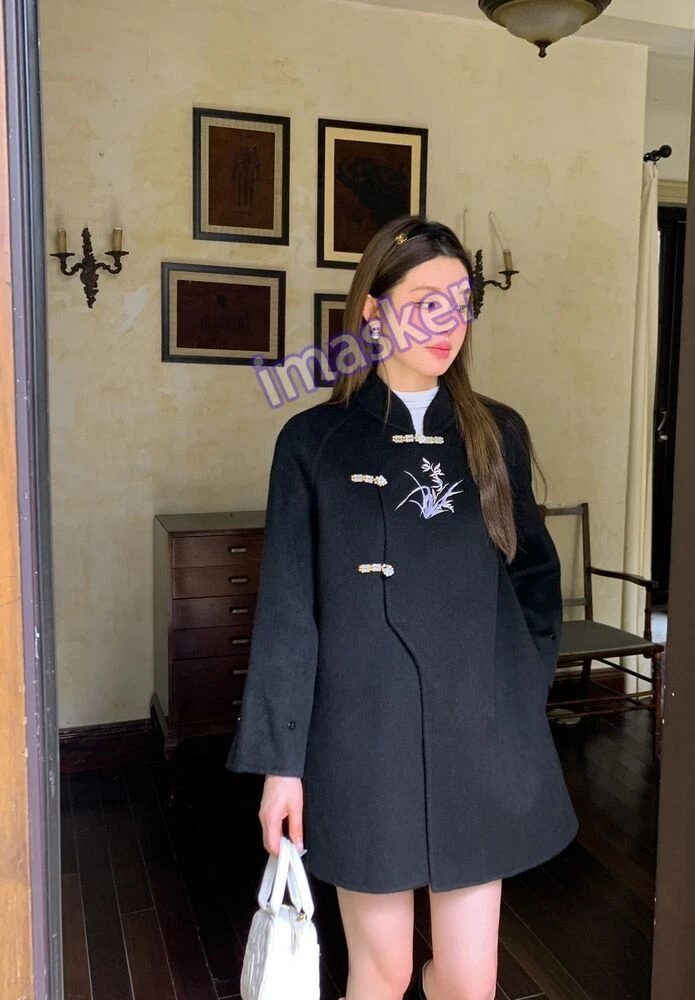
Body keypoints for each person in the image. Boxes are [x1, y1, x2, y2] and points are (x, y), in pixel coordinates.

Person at [226, 215, 578, 1000]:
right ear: (373, 311)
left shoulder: (497, 432)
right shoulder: (313, 441)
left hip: (479, 736)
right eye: (425, 302)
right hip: (361, 742)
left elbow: (533, 572)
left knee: (470, 982)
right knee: (380, 975)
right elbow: (288, 611)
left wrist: (522, 685)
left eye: (461, 301)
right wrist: (283, 768)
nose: (448, 322)